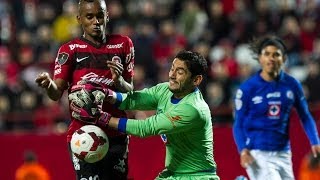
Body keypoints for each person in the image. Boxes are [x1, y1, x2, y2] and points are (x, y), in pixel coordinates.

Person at [69, 50, 220, 179]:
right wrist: (106, 93)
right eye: (172, 68)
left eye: (180, 72)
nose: (172, 75)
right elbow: (133, 100)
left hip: (197, 176)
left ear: (196, 80)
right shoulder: (165, 90)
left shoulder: (192, 109)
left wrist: (101, 118)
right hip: (173, 174)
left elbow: (146, 127)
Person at [35, 0, 135, 179]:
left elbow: (130, 90)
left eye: (99, 16)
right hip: (84, 134)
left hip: (116, 132)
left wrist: (118, 80)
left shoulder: (123, 44)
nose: (96, 21)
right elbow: (56, 93)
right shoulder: (70, 50)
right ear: (79, 19)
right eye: (89, 17)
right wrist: (49, 84)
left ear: (107, 16)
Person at [232, 35, 320, 180]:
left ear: (284, 58)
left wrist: (315, 141)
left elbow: (305, 116)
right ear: (260, 58)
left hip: (284, 153)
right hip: (257, 152)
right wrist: (243, 150)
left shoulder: (292, 85)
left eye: (276, 54)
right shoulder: (248, 88)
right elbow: (238, 124)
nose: (271, 58)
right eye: (267, 54)